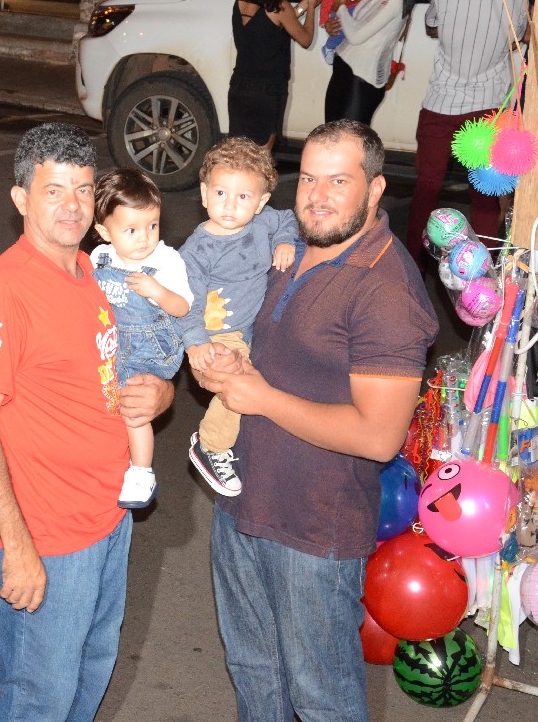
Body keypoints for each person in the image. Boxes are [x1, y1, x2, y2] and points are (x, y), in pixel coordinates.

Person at [192, 119, 438, 722]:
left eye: (338, 181)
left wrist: (261, 398)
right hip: (242, 504)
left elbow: (378, 438)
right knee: (256, 679)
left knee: (321, 697)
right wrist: (214, 365)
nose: (317, 195)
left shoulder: (385, 290)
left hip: (313, 532)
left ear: (375, 190)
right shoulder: (287, 248)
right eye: (307, 179)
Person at [0, 123, 175, 722]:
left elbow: (123, 368)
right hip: (48, 540)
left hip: (108, 520)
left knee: (87, 679)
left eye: (83, 189)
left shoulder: (95, 272)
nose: (72, 205)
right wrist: (19, 547)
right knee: (38, 701)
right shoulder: (2, 292)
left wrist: (158, 393)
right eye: (54, 191)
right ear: (21, 198)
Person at [181, 138, 297, 497]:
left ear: (261, 201)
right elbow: (187, 302)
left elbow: (287, 219)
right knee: (237, 381)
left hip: (249, 326)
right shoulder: (198, 251)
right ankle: (212, 445)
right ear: (204, 193)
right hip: (216, 329)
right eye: (220, 193)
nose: (230, 205)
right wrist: (195, 341)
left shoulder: (263, 222)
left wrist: (285, 241)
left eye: (243, 197)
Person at [406, 0, 529, 262]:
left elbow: (431, 25)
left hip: (442, 105)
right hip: (489, 108)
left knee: (427, 188)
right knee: (484, 194)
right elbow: (516, 37)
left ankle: (412, 264)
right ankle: (484, 265)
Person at [90, 168, 192, 509]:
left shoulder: (165, 260)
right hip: (112, 344)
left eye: (152, 225)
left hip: (151, 348)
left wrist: (158, 291)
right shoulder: (100, 258)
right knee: (105, 406)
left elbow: (182, 307)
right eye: (131, 230)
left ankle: (142, 472)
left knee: (135, 410)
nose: (144, 238)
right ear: (104, 231)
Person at [229, 0, 324, 149]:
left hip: (239, 87)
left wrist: (301, 7)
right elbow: (306, 39)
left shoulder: (242, 0)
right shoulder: (279, 6)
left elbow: (274, 27)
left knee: (239, 154)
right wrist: (312, 7)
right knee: (262, 157)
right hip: (268, 91)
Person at [324, 0, 414, 125]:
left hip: (361, 79)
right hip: (345, 70)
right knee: (331, 137)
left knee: (349, 143)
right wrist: (335, 25)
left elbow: (356, 36)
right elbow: (354, 24)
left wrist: (340, 7)